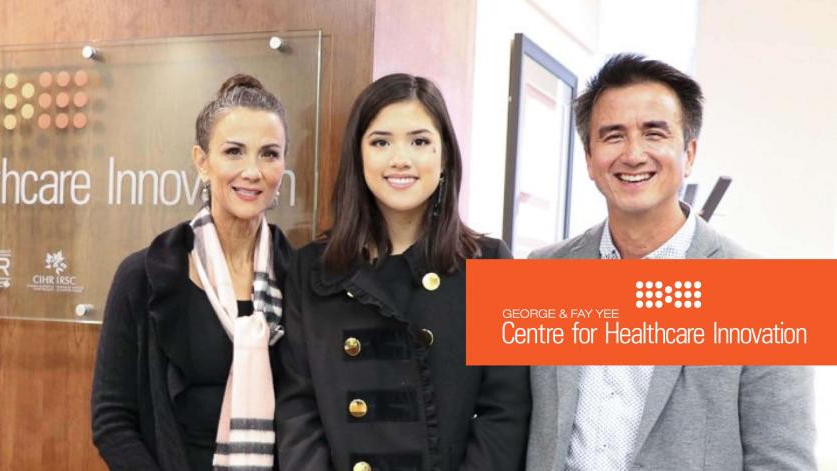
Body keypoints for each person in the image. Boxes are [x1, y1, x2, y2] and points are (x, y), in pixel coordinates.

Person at [526, 54, 816, 470]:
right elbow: (509, 425)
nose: (633, 154)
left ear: (689, 153)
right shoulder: (541, 273)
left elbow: (782, 461)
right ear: (589, 159)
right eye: (612, 136)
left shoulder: (770, 295)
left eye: (654, 133)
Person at [276, 73, 531, 471]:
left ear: (444, 156)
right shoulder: (313, 268)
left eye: (419, 141)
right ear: (358, 156)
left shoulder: (490, 263)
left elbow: (506, 414)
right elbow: (297, 411)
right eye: (380, 142)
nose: (400, 158)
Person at [91, 74, 294, 471]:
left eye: (269, 154)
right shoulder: (144, 277)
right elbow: (112, 420)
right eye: (234, 151)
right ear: (202, 162)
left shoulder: (302, 278)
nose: (252, 171)